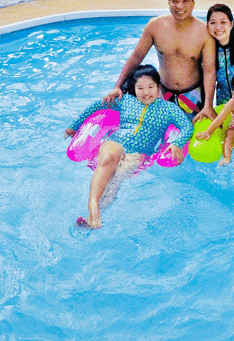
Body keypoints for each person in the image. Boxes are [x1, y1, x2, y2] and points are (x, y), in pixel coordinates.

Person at [65, 64, 193, 228]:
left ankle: (94, 219)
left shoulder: (168, 109)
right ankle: (93, 208)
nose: (146, 92)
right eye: (140, 88)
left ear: (158, 87)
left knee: (116, 178)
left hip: (140, 152)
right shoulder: (125, 101)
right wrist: (73, 127)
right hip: (117, 142)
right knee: (109, 159)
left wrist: (177, 143)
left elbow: (187, 127)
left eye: (150, 87)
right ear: (134, 88)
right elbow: (97, 106)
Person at [104, 0, 217, 122]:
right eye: (174, 1)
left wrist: (208, 105)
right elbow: (136, 57)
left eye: (185, 1)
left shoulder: (204, 31)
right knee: (158, 134)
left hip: (193, 95)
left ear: (193, 3)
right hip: (163, 92)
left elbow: (209, 71)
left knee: (191, 136)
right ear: (168, 3)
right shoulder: (155, 26)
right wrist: (117, 87)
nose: (180, 6)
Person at [195, 68, 234, 166]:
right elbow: (220, 118)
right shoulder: (232, 103)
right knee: (229, 137)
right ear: (232, 92)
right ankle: (226, 158)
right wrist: (208, 131)